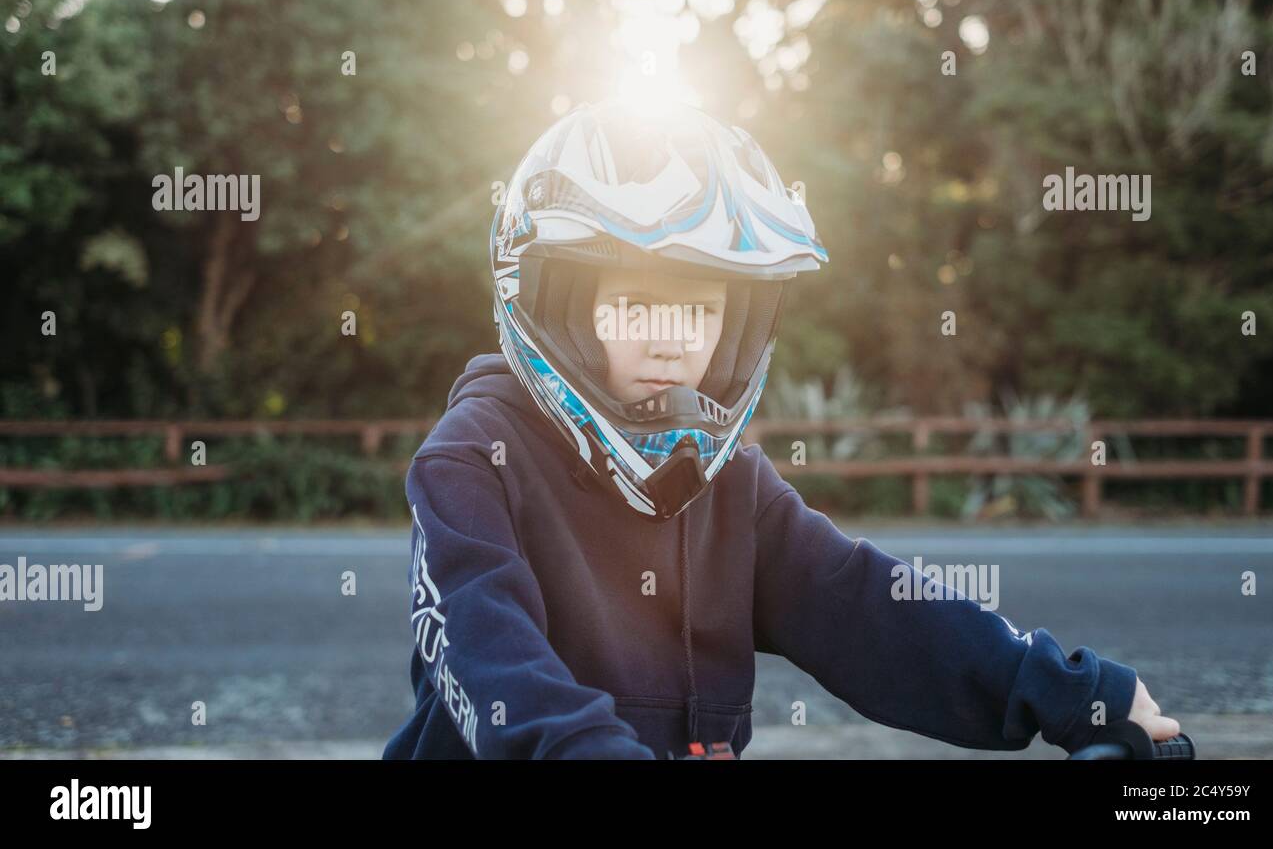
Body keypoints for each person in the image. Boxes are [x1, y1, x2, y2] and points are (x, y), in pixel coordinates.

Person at [382, 100, 1179, 759]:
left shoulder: (729, 486)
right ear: (556, 299)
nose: (673, 339)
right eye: (639, 302)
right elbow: (497, 669)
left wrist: (1078, 695)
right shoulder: (470, 462)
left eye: (702, 310)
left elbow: (869, 607)